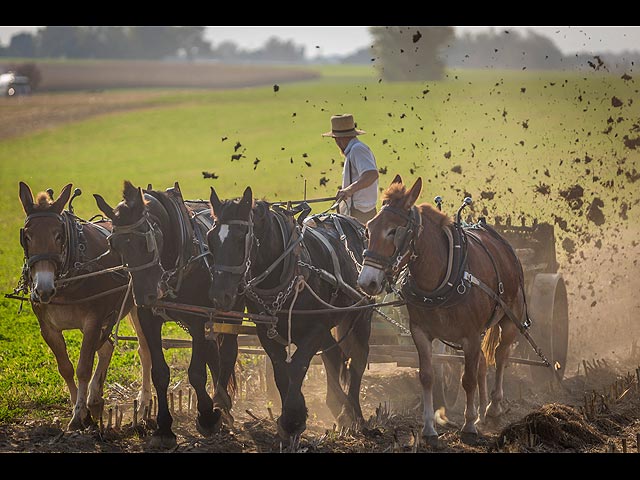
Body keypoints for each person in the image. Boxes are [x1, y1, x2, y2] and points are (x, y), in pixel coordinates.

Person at [322, 113, 379, 225]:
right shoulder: (353, 150)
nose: (336, 143)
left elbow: (371, 174)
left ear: (340, 138)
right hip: (358, 212)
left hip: (361, 214)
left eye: (335, 139)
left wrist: (349, 190)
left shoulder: (357, 149)